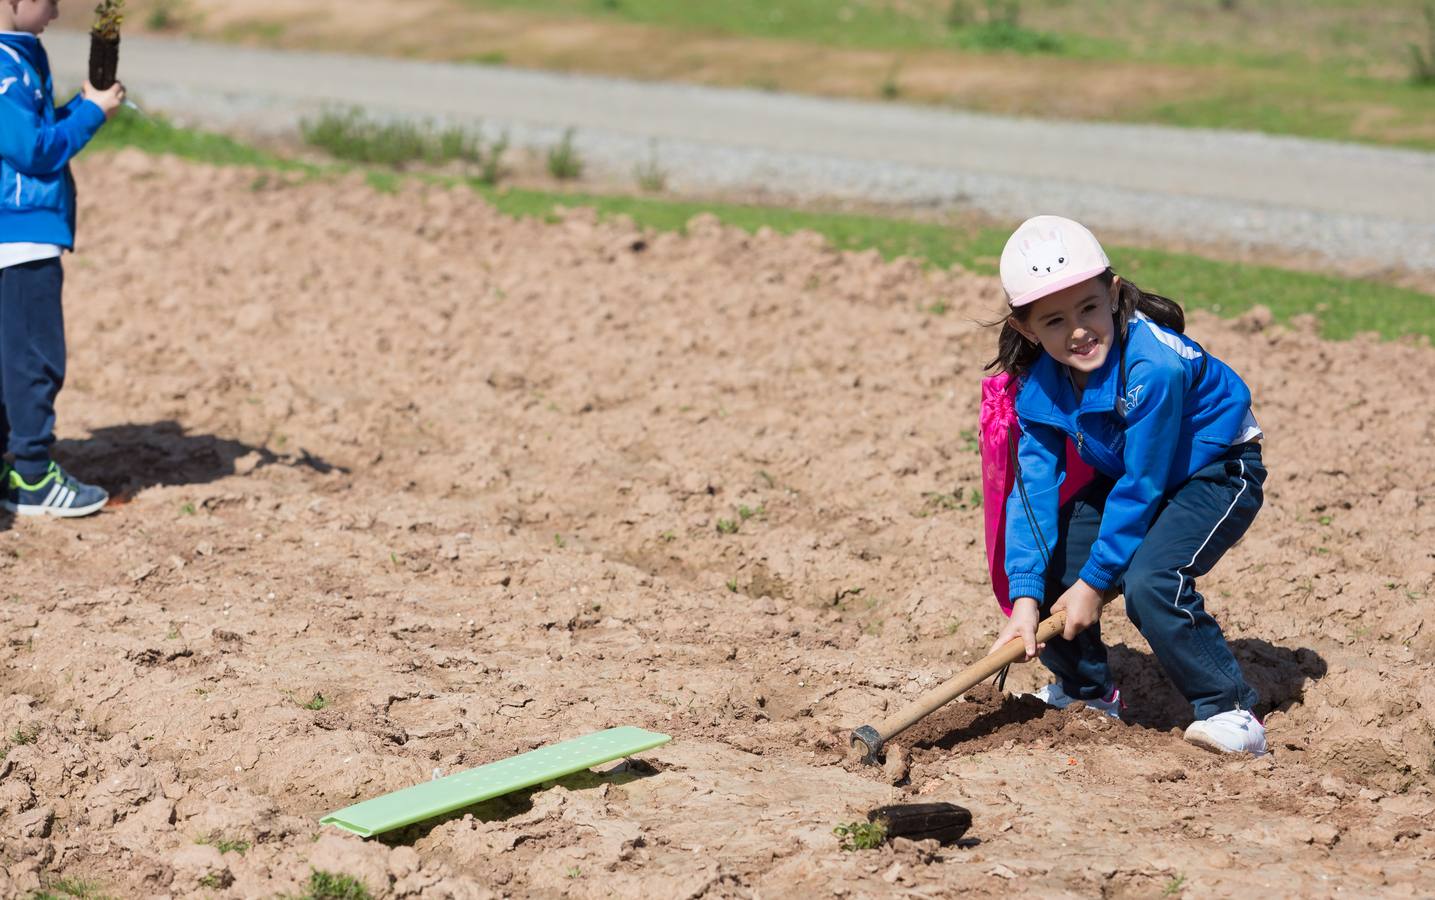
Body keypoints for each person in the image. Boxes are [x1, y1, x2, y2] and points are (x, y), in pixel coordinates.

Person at [987, 214, 1268, 755]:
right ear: (1025, 329)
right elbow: (1033, 492)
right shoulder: (1040, 385)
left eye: (1089, 308)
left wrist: (1093, 586)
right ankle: (1087, 693)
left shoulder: (1152, 368)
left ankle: (1231, 710)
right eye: (1053, 321)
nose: (1077, 330)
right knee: (1052, 559)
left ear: (1113, 294)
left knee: (1151, 582)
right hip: (1137, 473)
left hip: (1216, 469)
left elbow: (1143, 486)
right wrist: (1025, 597)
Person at [1, 0, 124, 516]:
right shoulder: (4, 69)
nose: (55, 10)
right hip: (21, 239)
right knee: (35, 360)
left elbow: (35, 132)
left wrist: (83, 105)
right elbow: (34, 151)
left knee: (9, 362)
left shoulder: (18, 56)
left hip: (15, 236)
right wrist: (93, 115)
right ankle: (32, 476)